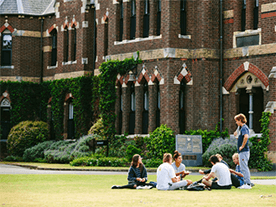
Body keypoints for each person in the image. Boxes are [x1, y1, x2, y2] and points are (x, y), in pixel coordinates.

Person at [234, 113, 252, 188]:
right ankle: (246, 183)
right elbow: (241, 138)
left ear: (240, 120)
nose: (236, 122)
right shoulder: (241, 128)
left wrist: (242, 146)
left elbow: (246, 137)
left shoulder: (244, 127)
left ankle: (248, 183)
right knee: (243, 167)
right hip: (242, 151)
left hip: (243, 151)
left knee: (244, 167)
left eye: (237, 121)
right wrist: (236, 136)